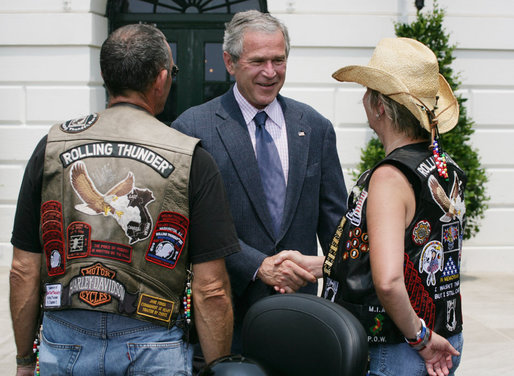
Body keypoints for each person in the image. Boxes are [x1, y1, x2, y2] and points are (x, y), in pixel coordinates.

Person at [9, 24, 239, 376]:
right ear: (161, 79)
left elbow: (23, 269)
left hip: (65, 334)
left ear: (104, 75)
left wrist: (24, 360)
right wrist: (219, 366)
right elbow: (212, 289)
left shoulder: (52, 147)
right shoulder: (190, 158)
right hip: (152, 341)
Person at [171, 10, 347, 352]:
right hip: (226, 320)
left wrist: (334, 272)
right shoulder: (193, 129)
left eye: (279, 60)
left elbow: (336, 224)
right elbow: (189, 225)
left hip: (302, 317)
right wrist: (258, 265)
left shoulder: (315, 126)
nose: (270, 72)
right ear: (230, 62)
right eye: (258, 61)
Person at [317, 37, 465, 376]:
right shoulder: (444, 166)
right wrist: (318, 264)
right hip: (446, 329)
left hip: (403, 345)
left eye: (368, 92)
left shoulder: (390, 177)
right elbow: (408, 251)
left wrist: (422, 339)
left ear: (380, 106)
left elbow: (388, 281)